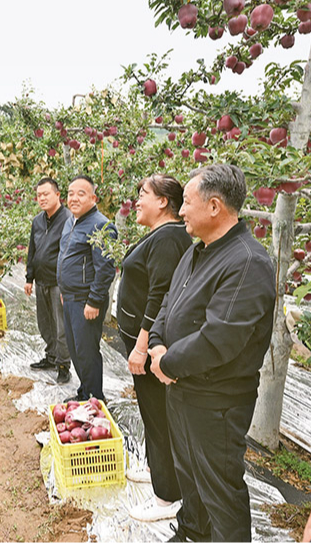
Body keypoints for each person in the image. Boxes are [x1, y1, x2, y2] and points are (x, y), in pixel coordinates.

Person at [148, 164, 275, 543]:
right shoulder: (196, 252)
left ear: (215, 206)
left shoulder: (247, 262)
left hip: (217, 401)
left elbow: (219, 338)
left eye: (186, 202)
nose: (181, 210)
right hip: (182, 391)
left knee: (220, 489)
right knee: (190, 475)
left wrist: (166, 363)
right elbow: (169, 304)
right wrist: (157, 343)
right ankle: (191, 533)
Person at [115, 174, 191, 523]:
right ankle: (160, 471)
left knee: (159, 417)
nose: (137, 200)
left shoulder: (168, 238)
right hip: (142, 339)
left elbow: (159, 295)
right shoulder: (162, 235)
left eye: (143, 193)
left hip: (147, 343)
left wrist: (142, 345)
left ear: (163, 202)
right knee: (153, 413)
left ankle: (166, 498)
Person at [57, 175, 116, 402]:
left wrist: (94, 300)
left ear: (93, 198)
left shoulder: (101, 226)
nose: (74, 198)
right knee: (75, 350)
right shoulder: (70, 221)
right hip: (70, 297)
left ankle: (94, 399)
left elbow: (105, 269)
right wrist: (64, 290)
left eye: (81, 194)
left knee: (87, 352)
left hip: (85, 301)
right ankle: (85, 393)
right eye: (71, 193)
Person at [25, 177, 72, 383]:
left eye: (46, 194)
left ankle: (64, 365)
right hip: (41, 281)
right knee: (45, 324)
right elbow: (32, 250)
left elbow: (70, 254)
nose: (42, 198)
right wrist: (29, 277)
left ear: (58, 195)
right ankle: (51, 357)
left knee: (61, 327)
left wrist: (66, 285)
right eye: (39, 195)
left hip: (58, 283)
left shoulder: (68, 220)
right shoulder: (38, 221)